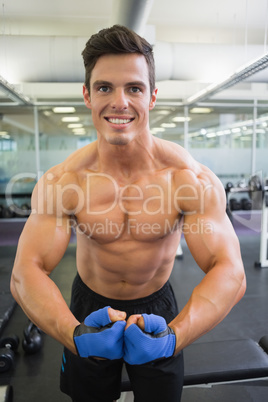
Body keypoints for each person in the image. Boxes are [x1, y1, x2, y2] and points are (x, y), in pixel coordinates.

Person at [10, 25, 246, 402]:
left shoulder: (189, 180)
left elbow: (230, 270)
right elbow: (26, 271)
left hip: (157, 308)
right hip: (88, 306)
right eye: (105, 87)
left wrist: (175, 336)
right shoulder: (63, 181)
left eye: (133, 88)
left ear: (152, 97)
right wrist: (73, 333)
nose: (119, 102)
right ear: (87, 95)